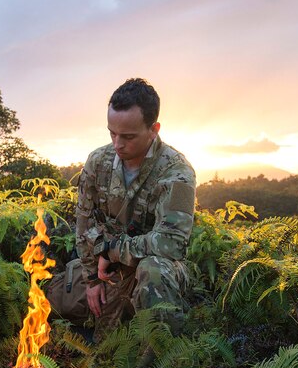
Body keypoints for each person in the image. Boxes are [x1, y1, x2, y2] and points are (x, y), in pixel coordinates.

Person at [48, 78, 197, 335]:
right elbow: (83, 225)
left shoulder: (178, 172)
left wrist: (112, 251)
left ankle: (159, 366)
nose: (117, 144)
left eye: (128, 136)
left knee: (155, 271)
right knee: (56, 302)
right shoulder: (98, 162)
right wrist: (91, 280)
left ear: (154, 129)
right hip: (106, 270)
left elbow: (171, 244)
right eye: (112, 133)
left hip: (153, 269)